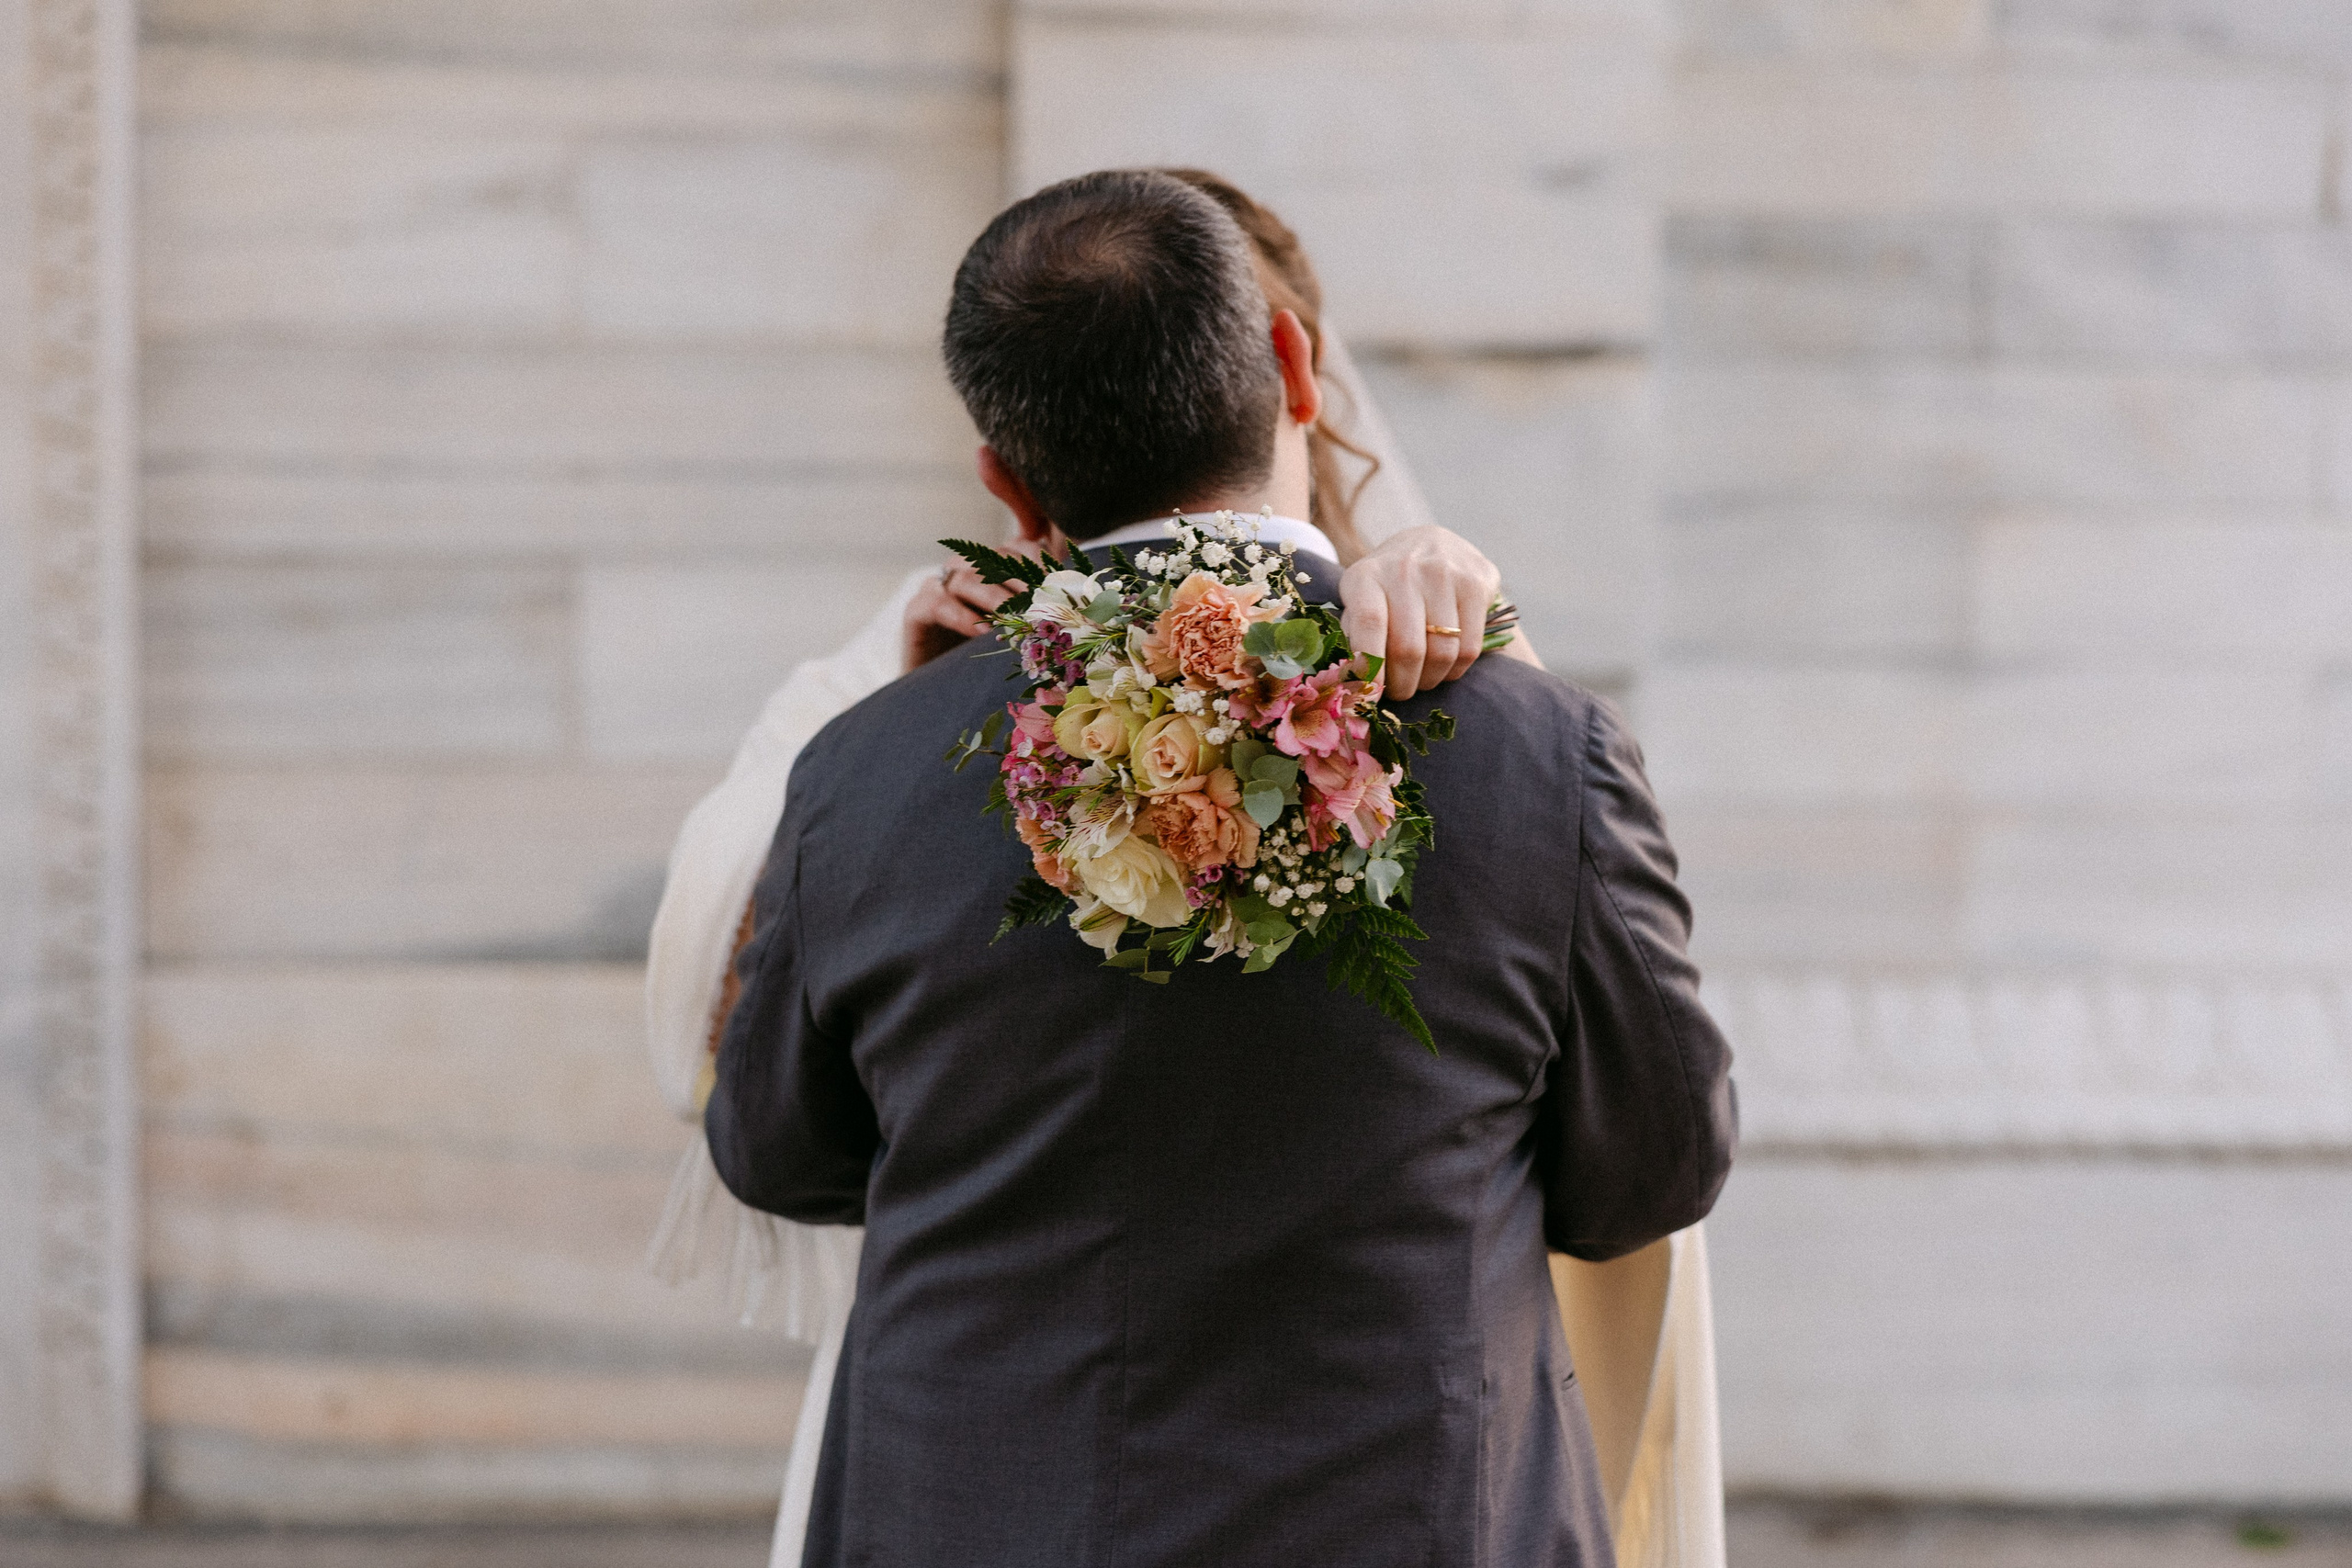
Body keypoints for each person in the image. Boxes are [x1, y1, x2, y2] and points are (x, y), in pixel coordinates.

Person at [694, 169, 1736, 1568]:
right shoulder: (1536, 753)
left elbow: (779, 1153)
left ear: (1003, 477)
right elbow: (1653, 1171)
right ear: (1296, 366)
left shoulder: (860, 770)